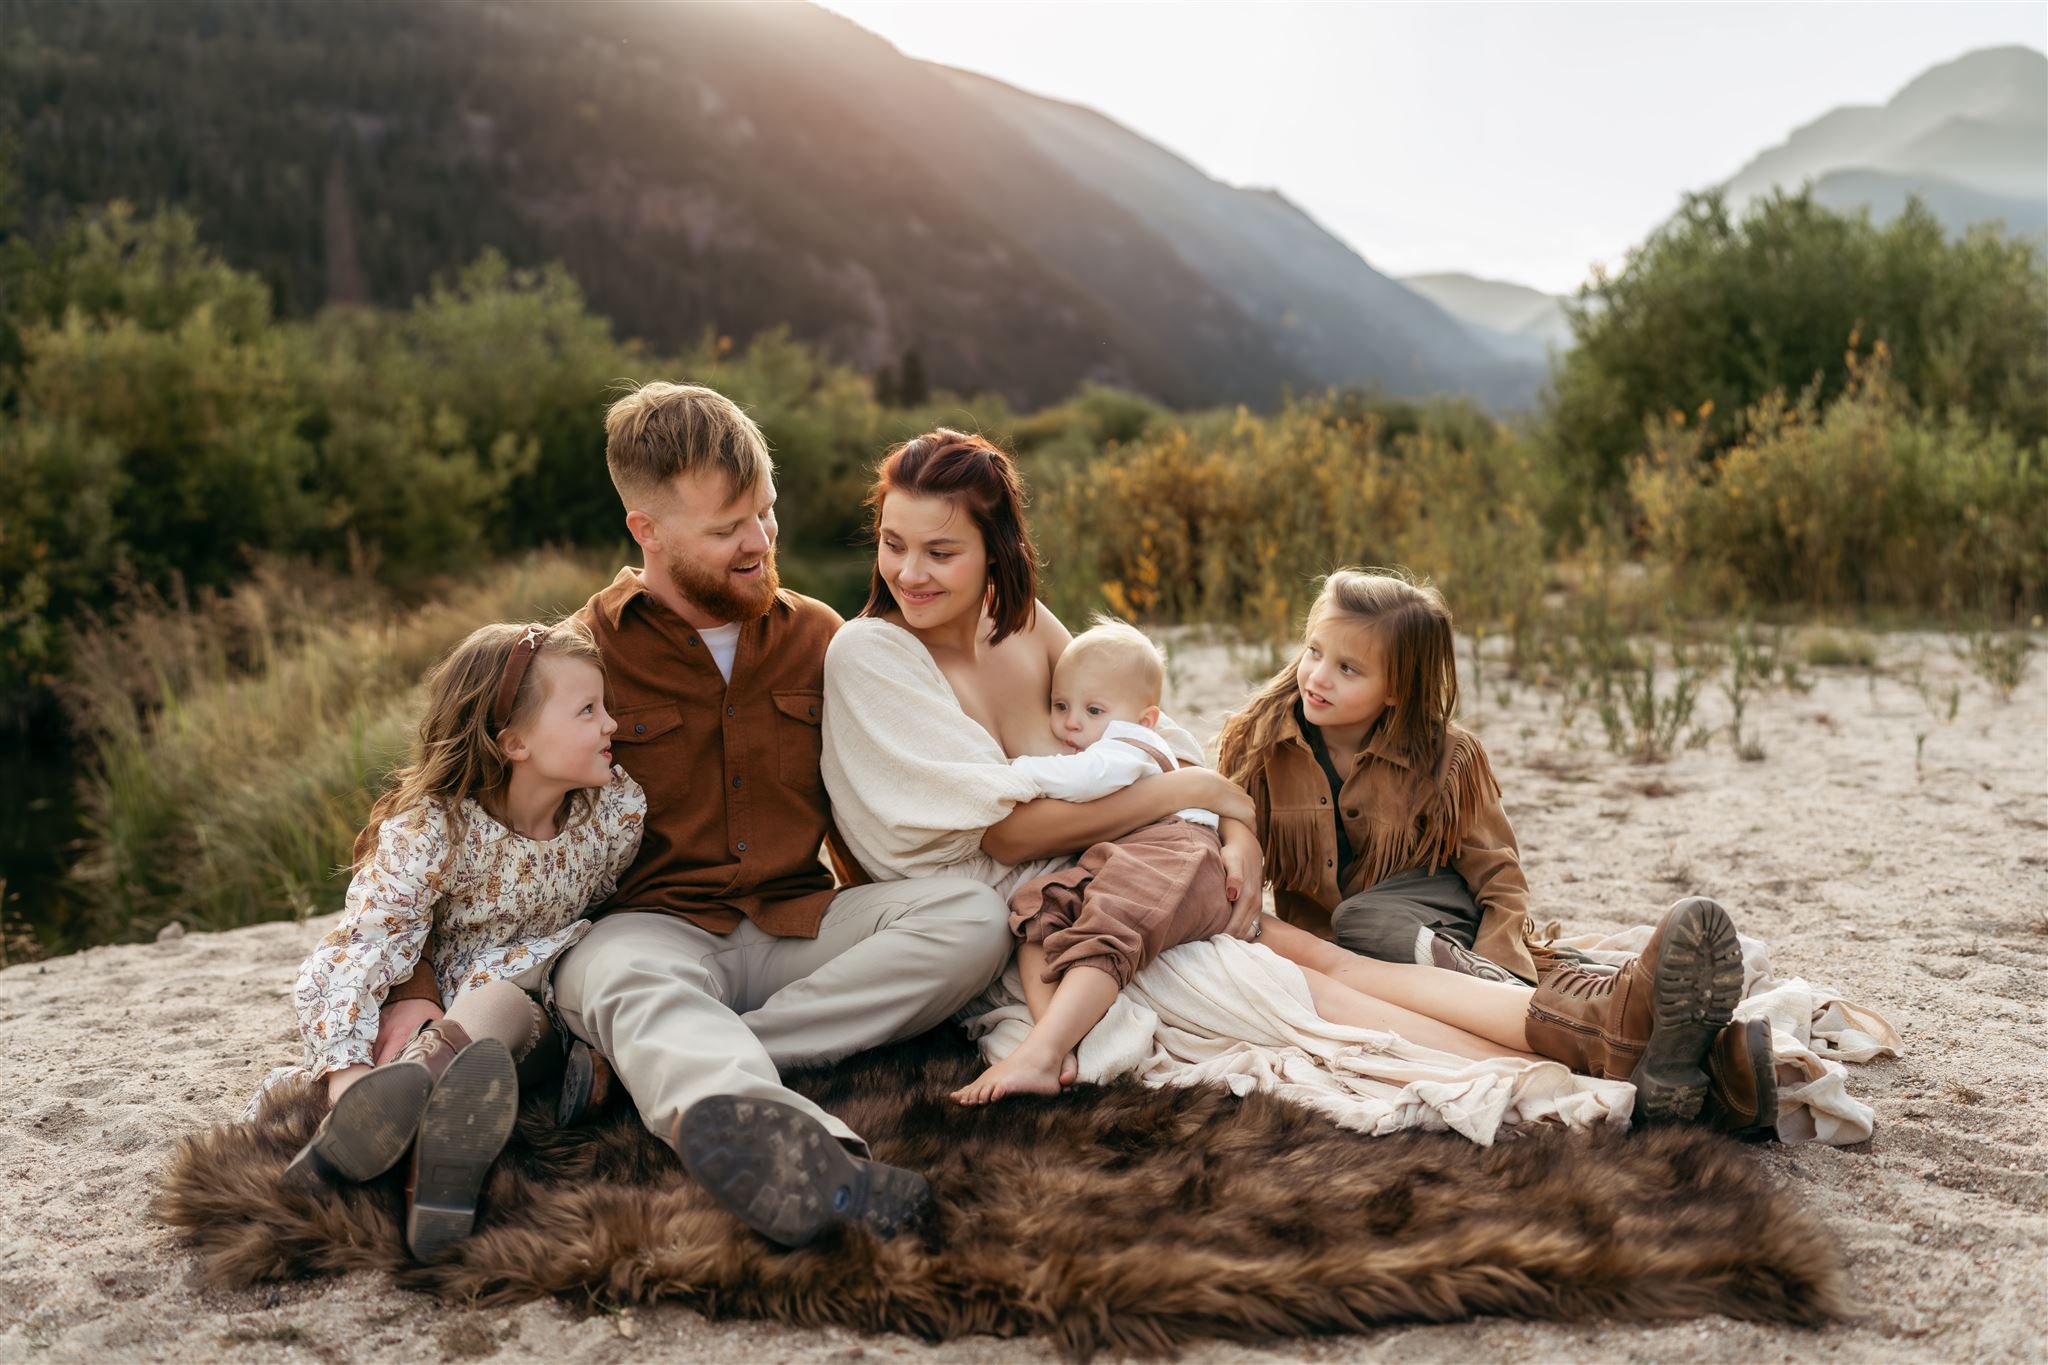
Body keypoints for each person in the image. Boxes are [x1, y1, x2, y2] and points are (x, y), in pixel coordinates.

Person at [822, 429, 1769, 1133]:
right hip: (1050, 909)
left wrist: (1233, 837)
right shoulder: (873, 653)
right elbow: (1009, 835)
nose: (910, 571)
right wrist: (1216, 801)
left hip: (1150, 862)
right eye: (893, 543)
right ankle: (1611, 1075)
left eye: (940, 550)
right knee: (1309, 1001)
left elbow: (1151, 736)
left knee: (1337, 960)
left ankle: (1609, 1025)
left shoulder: (1022, 624)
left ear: (996, 550)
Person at [381, 383, 1013, 1252]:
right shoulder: (570, 661)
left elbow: (911, 777)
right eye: (727, 530)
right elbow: (433, 822)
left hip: (800, 923)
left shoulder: (825, 638)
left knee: (973, 918)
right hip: (649, 934)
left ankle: (643, 1065)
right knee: (618, 980)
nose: (759, 543)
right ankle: (805, 1154)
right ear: (647, 530)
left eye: (767, 514)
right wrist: (414, 999)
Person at [1217, 567, 1776, 1133]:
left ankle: (1583, 1009)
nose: (1318, 677)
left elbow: (1499, 879)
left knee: (1367, 920)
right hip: (1353, 957)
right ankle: (1715, 1065)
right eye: (1313, 651)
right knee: (1360, 936)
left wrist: (1500, 971)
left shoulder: (1447, 758)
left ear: (1396, 689)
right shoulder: (1259, 741)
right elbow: (1226, 824)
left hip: (1440, 921)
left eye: (1348, 668)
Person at [260, 617, 647, 1259]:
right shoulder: (434, 833)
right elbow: (362, 949)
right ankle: (402, 1135)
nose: (612, 724)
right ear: (514, 742)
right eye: (588, 710)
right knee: (486, 1010)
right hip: (459, 1013)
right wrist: (349, 1081)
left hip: (549, 1016)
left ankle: (423, 1129)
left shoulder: (612, 816)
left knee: (512, 1010)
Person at [951, 618, 1256, 1105]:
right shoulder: (1107, 736)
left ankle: (1043, 1051)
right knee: (1037, 909)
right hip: (1129, 853)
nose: (1071, 723)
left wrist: (1012, 772)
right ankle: (1055, 1037)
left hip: (1178, 853)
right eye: (1060, 706)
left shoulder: (1130, 746)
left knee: (1109, 922)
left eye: (1093, 710)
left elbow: (1083, 779)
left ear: (1147, 719)